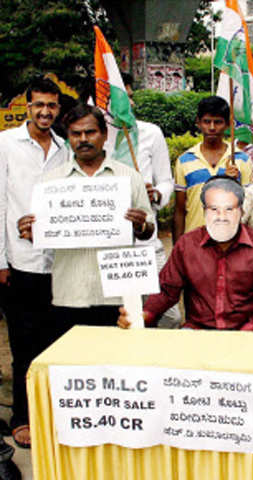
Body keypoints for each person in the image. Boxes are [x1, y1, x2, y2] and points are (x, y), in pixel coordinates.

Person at [19, 103, 154, 330]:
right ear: (68, 138)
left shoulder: (129, 178)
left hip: (117, 296)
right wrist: (31, 232)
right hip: (69, 294)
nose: (83, 139)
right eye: (75, 133)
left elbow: (148, 230)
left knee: (116, 362)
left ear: (103, 134)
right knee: (72, 363)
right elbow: (44, 236)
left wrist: (140, 225)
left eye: (90, 132)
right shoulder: (50, 182)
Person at [0, 76, 69, 452]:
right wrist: (0, 260)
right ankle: (22, 417)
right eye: (39, 105)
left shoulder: (65, 147)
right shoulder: (6, 145)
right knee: (24, 344)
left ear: (59, 108)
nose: (45, 112)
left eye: (52, 106)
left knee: (55, 340)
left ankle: (53, 413)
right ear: (27, 106)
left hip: (60, 265)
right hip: (20, 262)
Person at [118, 176, 253, 330]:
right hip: (197, 331)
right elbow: (167, 290)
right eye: (213, 209)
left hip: (248, 333)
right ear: (204, 210)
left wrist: (246, 332)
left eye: (229, 209)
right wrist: (143, 316)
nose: (221, 217)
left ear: (241, 211)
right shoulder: (188, 245)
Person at [113, 73, 181, 329]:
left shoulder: (151, 133)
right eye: (120, 98)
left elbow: (167, 181)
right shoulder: (96, 138)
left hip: (148, 244)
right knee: (124, 317)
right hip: (111, 248)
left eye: (129, 97)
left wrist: (156, 195)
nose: (127, 104)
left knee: (169, 315)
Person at [173, 96, 252, 243]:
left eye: (218, 122)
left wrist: (233, 183)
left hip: (230, 241)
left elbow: (248, 206)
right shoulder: (184, 160)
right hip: (195, 241)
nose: (212, 127)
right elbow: (179, 210)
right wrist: (178, 248)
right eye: (207, 121)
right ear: (198, 122)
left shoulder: (241, 159)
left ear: (228, 124)